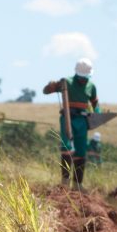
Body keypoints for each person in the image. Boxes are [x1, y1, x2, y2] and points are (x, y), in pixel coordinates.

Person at [43, 58, 99, 189]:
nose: (83, 80)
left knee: (81, 151)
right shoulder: (66, 82)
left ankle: (77, 185)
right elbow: (45, 91)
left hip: (82, 121)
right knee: (66, 148)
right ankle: (65, 182)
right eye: (81, 77)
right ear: (76, 74)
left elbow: (95, 103)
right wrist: (50, 86)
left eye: (85, 78)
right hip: (68, 118)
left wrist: (97, 114)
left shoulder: (91, 86)